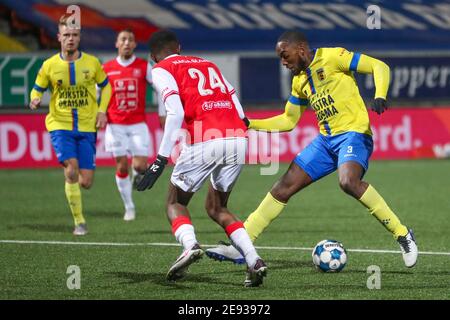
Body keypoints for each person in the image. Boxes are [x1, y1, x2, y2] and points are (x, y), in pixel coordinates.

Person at [205, 30, 418, 268]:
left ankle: (402, 235)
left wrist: (380, 95)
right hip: (325, 143)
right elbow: (288, 120)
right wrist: (249, 123)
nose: (283, 62)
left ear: (301, 49)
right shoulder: (299, 82)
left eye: (285, 55)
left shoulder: (334, 57)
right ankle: (241, 247)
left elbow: (380, 67)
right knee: (282, 188)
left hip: (354, 134)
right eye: (280, 58)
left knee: (348, 181)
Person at [135, 30, 267, 287]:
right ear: (180, 47)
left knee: (175, 201)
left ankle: (189, 246)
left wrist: (160, 160)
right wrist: (240, 128)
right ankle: (254, 260)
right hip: (237, 137)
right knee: (217, 208)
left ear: (152, 57)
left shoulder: (161, 68)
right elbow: (235, 101)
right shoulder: (208, 64)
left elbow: (175, 113)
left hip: (206, 137)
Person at [29, 15, 111, 236]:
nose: (71, 39)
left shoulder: (92, 63)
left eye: (74, 35)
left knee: (86, 182)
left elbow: (107, 87)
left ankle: (74, 184)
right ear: (59, 37)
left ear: (79, 37)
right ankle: (80, 222)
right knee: (71, 169)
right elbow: (37, 88)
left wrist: (102, 110)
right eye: (66, 35)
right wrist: (35, 98)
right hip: (59, 124)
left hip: (86, 127)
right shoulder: (49, 65)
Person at [102, 29, 165, 221]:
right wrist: (99, 114)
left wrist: (162, 113)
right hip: (115, 125)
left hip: (138, 124)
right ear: (116, 44)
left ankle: (137, 173)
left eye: (130, 39)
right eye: (123, 39)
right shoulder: (107, 68)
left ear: (135, 44)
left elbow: (161, 89)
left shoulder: (143, 66)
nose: (127, 42)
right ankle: (129, 207)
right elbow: (97, 93)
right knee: (121, 167)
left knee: (139, 166)